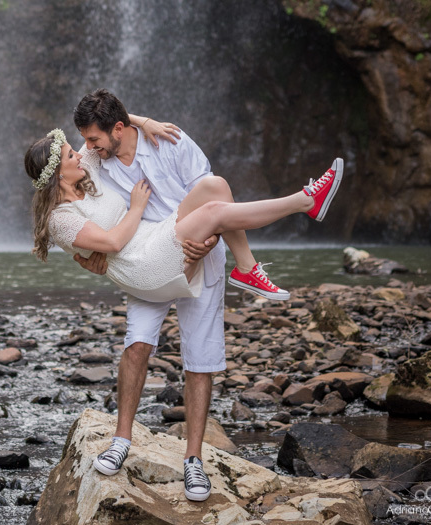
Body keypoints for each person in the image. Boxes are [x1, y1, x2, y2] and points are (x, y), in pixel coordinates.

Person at [23, 96, 343, 504]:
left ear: (118, 128)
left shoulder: (162, 142)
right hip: (145, 258)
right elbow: (106, 239)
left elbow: (215, 205)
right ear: (60, 169)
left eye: (87, 141)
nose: (83, 147)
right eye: (77, 146)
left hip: (181, 246)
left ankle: (194, 458)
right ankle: (302, 204)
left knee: (214, 191)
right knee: (136, 347)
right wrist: (134, 212)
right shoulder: (91, 164)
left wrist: (205, 241)